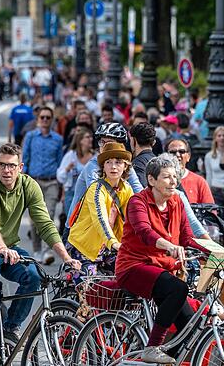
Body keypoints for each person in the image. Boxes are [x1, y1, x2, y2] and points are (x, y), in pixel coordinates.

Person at [0, 143, 80, 365]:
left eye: (11, 166)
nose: (6, 170)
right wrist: (2, 248)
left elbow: (45, 224)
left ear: (20, 167)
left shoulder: (28, 186)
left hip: (8, 248)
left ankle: (11, 327)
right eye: (2, 165)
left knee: (34, 276)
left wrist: (66, 257)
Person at [114, 153, 205, 364]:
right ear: (151, 180)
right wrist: (169, 245)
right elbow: (144, 232)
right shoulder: (138, 201)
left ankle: (162, 361)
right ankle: (152, 348)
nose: (173, 181)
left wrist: (216, 251)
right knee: (178, 288)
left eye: (175, 177)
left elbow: (187, 238)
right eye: (166, 177)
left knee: (190, 327)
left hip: (162, 269)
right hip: (134, 266)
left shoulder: (176, 202)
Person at [67, 142, 134, 267]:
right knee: (89, 279)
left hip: (108, 247)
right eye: (108, 162)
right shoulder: (96, 189)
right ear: (103, 166)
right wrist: (113, 242)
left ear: (125, 166)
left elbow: (133, 219)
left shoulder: (127, 188)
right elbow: (100, 219)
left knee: (129, 272)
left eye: (118, 162)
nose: (113, 167)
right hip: (84, 246)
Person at [69, 123, 144, 214]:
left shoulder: (125, 164)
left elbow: (139, 191)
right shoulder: (92, 165)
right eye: (102, 142)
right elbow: (96, 196)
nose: (103, 146)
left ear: (120, 145)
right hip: (82, 220)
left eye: (109, 143)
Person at [22, 106, 64, 263]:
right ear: (38, 119)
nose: (45, 120)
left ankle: (47, 250)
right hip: (34, 181)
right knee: (34, 219)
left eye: (48, 117)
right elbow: (25, 159)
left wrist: (61, 184)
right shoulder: (31, 136)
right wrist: (23, 181)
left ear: (52, 120)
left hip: (52, 181)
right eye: (42, 117)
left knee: (49, 215)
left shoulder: (58, 139)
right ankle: (37, 250)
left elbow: (60, 162)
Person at [57, 127, 94, 225]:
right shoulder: (71, 156)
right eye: (87, 137)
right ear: (80, 140)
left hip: (88, 195)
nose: (91, 139)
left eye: (91, 137)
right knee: (72, 223)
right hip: (71, 194)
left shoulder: (95, 157)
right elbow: (60, 177)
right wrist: (67, 169)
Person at [165, 137, 214, 204]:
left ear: (188, 156)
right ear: (165, 156)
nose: (177, 155)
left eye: (182, 151)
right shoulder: (159, 181)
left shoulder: (199, 182)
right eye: (172, 152)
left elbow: (210, 208)